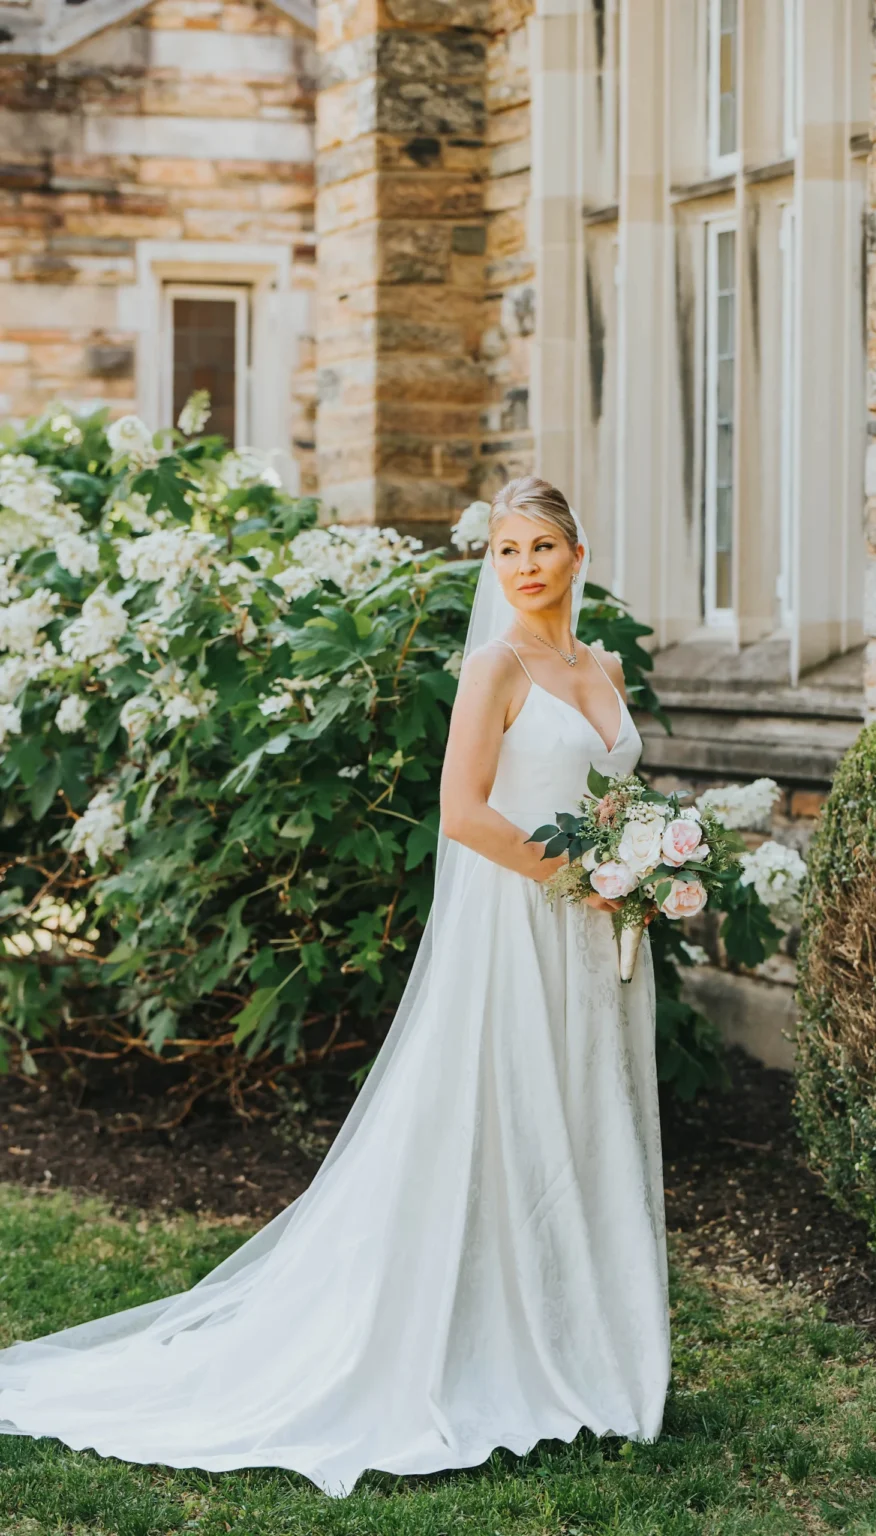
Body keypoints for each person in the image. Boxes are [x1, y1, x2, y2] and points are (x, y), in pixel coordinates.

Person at [0, 477, 669, 1497]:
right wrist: (578, 876)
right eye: (505, 550)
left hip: (599, 932)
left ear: (577, 554)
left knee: (586, 1114)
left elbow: (615, 795)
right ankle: (485, 1336)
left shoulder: (603, 664)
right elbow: (461, 813)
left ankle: (590, 1341)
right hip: (522, 918)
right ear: (493, 565)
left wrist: (646, 868)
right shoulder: (494, 668)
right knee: (507, 1115)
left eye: (541, 545)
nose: (524, 565)